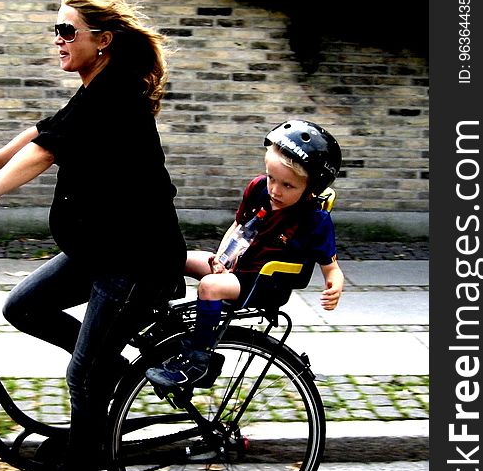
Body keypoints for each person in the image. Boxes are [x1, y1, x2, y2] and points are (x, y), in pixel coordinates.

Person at [0, 0, 186, 471]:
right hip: (98, 249)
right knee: (25, 307)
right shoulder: (95, 87)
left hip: (132, 259)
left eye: (67, 30)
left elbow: (46, 152)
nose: (57, 40)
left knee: (83, 374)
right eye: (55, 29)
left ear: (103, 39)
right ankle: (119, 381)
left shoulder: (114, 93)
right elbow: (40, 134)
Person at [146, 119, 345, 389]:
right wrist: (221, 258)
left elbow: (330, 266)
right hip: (237, 267)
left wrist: (334, 283)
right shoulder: (258, 189)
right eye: (272, 178)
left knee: (210, 286)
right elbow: (238, 227)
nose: (275, 190)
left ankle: (197, 361)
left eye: (288, 186)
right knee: (175, 257)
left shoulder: (313, 219)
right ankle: (155, 316)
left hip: (261, 282)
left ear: (310, 188)